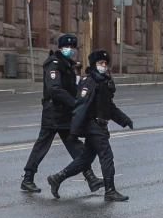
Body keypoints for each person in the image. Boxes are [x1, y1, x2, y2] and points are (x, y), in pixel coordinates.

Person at [20, 34, 103, 194]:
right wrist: (75, 104)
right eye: (67, 47)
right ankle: (27, 178)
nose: (70, 50)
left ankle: (91, 177)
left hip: (65, 113)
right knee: (42, 145)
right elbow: (54, 89)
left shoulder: (68, 66)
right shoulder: (54, 64)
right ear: (60, 47)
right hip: (53, 111)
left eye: (72, 47)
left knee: (74, 144)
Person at [47, 50, 134, 202]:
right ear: (94, 64)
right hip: (92, 125)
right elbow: (80, 107)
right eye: (101, 63)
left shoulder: (103, 82)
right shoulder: (90, 82)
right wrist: (74, 132)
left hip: (100, 126)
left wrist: (124, 119)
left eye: (106, 63)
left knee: (85, 160)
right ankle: (110, 191)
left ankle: (57, 178)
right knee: (106, 156)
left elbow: (109, 107)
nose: (104, 66)